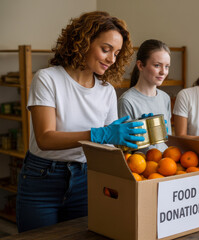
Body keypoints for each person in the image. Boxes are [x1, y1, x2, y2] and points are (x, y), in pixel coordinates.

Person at [16, 11, 146, 232]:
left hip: (87, 177)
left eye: (116, 53)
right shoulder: (47, 79)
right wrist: (99, 134)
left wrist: (132, 133)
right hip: (42, 179)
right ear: (83, 41)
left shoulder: (106, 91)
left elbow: (110, 143)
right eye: (105, 49)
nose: (111, 59)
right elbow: (45, 138)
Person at [118, 39, 172, 152]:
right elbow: (125, 149)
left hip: (166, 165)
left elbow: (168, 141)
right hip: (140, 166)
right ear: (141, 65)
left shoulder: (165, 98)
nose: (163, 72)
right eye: (157, 65)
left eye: (167, 66)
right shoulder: (127, 101)